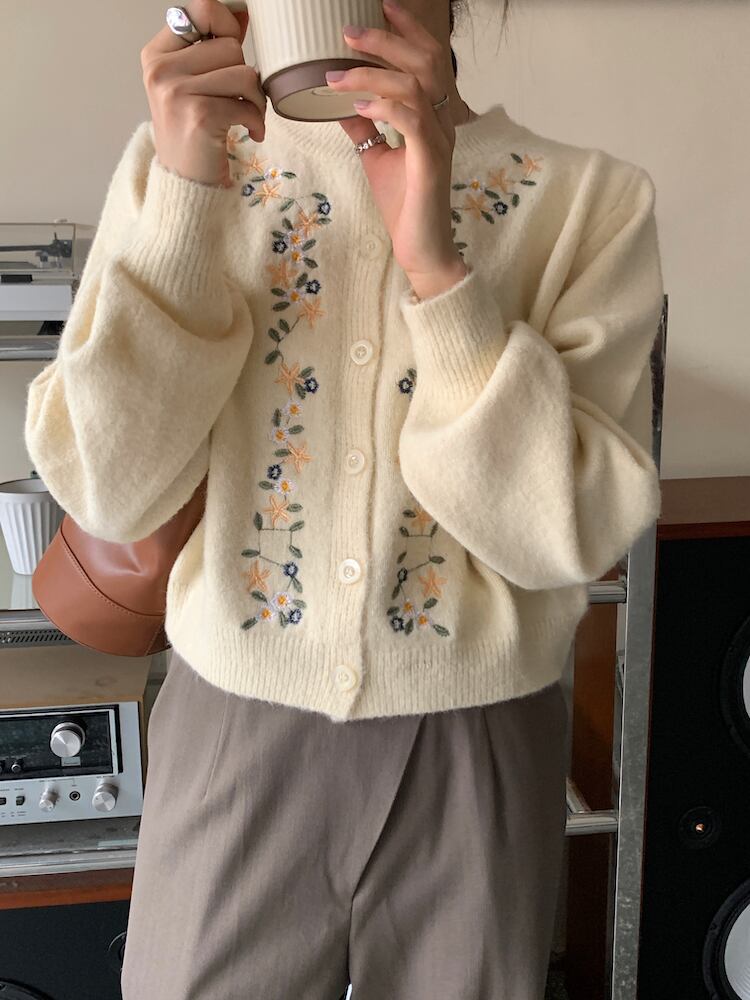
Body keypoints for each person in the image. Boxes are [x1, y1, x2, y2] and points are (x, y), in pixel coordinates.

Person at [24, 0, 665, 996]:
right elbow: (111, 486)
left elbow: (568, 532)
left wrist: (438, 271)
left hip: (477, 741)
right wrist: (186, 197)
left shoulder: (588, 199)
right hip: (233, 724)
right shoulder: (187, 166)